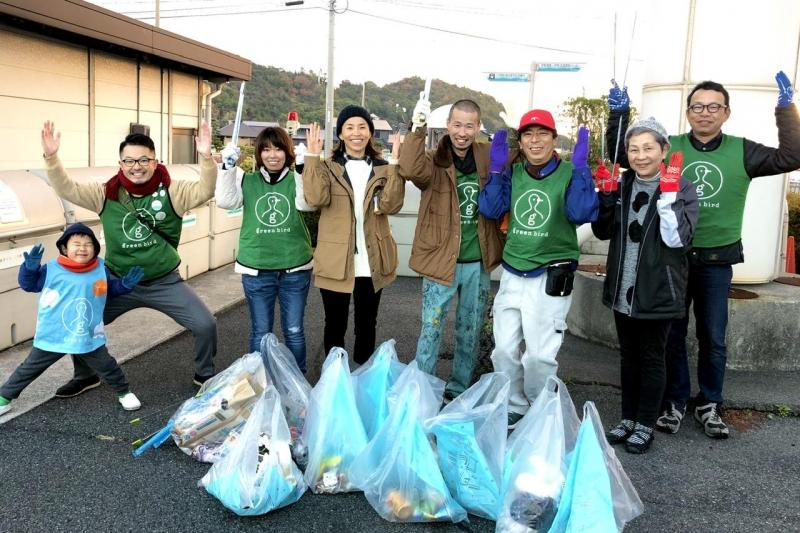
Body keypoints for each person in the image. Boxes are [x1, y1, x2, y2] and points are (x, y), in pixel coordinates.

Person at [607, 72, 800, 438]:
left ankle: (710, 403)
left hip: (714, 259)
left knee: (714, 335)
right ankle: (675, 402)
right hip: (667, 259)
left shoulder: (742, 150)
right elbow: (624, 152)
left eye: (714, 107)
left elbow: (793, 155)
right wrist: (618, 115)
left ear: (726, 113)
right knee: (671, 336)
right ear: (688, 112)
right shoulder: (670, 145)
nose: (705, 113)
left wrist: (786, 109)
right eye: (698, 106)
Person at [40, 120, 219, 396]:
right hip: (115, 280)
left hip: (163, 282)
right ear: (121, 163)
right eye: (129, 160)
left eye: (143, 160)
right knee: (81, 318)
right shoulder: (106, 193)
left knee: (205, 324)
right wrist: (51, 158)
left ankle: (204, 374)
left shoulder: (174, 190)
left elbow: (205, 191)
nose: (137, 166)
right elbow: (68, 189)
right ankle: (85, 375)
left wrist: (206, 158)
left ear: (155, 160)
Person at [479, 110, 598, 427]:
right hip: (513, 272)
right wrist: (495, 168)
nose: (535, 140)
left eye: (542, 133)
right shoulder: (513, 173)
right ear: (521, 141)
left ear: (553, 138)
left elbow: (581, 212)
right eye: (528, 134)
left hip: (549, 275)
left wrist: (583, 171)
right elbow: (490, 208)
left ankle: (540, 406)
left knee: (538, 357)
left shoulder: (570, 172)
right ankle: (515, 403)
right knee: (503, 350)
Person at [592, 118, 698, 453]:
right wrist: (606, 197)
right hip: (623, 286)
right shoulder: (622, 183)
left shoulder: (682, 187)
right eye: (633, 149)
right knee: (628, 357)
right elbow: (602, 232)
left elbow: (678, 239)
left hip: (658, 288)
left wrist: (666, 199)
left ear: (664, 150)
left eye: (648, 148)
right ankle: (626, 418)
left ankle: (645, 424)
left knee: (653, 357)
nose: (640, 156)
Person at [398, 97, 504, 400]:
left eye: (469, 126)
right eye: (457, 124)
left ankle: (458, 392)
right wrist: (416, 130)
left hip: (477, 261)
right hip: (439, 260)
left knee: (469, 333)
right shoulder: (434, 159)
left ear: (478, 127)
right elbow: (408, 167)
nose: (462, 132)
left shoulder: (487, 156)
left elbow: (517, 160)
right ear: (448, 125)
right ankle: (423, 390)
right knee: (430, 330)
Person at [0, 224, 145, 416]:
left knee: (107, 366)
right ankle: (4, 397)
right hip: (54, 332)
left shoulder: (100, 268)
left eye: (88, 244)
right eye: (76, 244)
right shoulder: (51, 269)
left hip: (88, 333)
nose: (82, 248)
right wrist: (29, 268)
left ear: (95, 249)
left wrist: (124, 285)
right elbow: (29, 284)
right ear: (64, 248)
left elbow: (103, 291)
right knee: (30, 368)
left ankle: (124, 392)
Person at [302, 105, 404, 365]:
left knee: (367, 326)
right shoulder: (326, 167)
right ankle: (335, 382)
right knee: (334, 326)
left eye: (362, 127)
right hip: (336, 260)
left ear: (370, 132)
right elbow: (315, 199)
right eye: (349, 127)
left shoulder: (383, 168)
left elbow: (391, 205)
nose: (356, 133)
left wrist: (394, 164)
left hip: (372, 261)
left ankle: (362, 381)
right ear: (341, 134)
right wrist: (312, 156)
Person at [214, 127, 314, 372]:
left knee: (294, 330)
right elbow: (226, 202)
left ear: (288, 152)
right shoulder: (246, 179)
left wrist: (303, 169)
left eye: (278, 148)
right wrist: (227, 168)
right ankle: (259, 385)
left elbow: (307, 203)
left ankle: (297, 386)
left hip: (295, 268)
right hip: (256, 269)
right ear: (258, 153)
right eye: (266, 149)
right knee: (260, 331)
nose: (272, 155)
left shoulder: (295, 178)